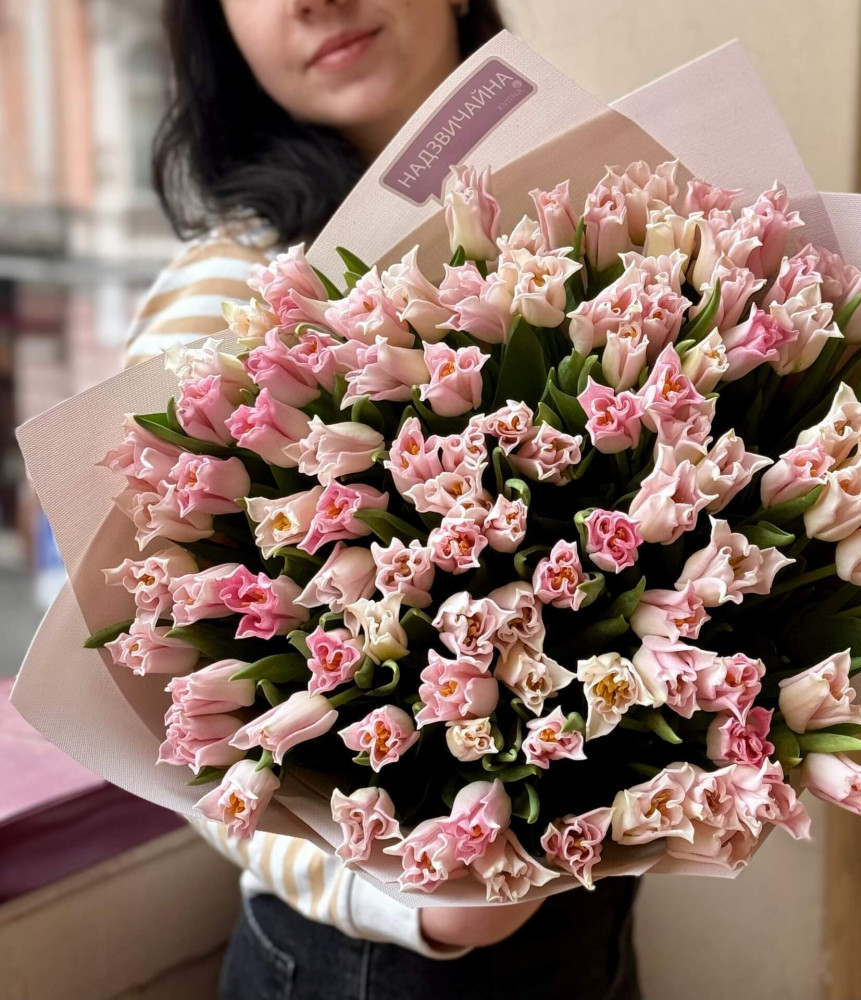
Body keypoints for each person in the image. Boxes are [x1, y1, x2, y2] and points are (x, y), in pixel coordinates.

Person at [127, 2, 642, 997]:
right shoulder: (228, 294)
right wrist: (410, 898)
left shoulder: (586, 211)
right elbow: (162, 707)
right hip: (371, 960)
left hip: (586, 920)